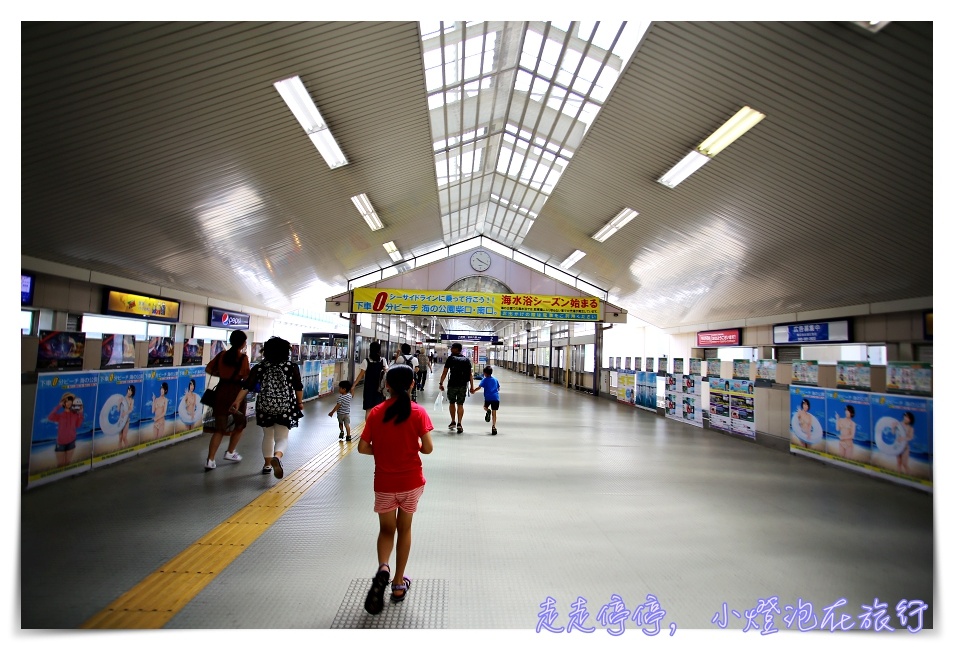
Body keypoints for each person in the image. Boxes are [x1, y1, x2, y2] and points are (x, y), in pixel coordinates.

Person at [358, 364, 434, 614]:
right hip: (411, 482)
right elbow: (428, 448)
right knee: (405, 529)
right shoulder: (418, 412)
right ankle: (399, 583)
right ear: (413, 384)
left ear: (386, 385)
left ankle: (383, 568)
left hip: (385, 482)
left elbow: (362, 447)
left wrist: (382, 451)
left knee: (386, 530)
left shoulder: (377, 412)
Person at [230, 336, 304, 479]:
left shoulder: (260, 367)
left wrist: (237, 401)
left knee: (268, 435)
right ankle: (277, 457)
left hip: (265, 405)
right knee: (282, 437)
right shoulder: (291, 367)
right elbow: (298, 386)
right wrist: (299, 403)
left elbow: (247, 386)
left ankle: (267, 465)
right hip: (285, 406)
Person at [205, 330, 250, 471]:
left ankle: (210, 460)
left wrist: (223, 375)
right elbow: (246, 378)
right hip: (236, 393)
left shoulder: (221, 355)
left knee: (219, 429)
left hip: (221, 391)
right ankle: (230, 452)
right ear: (242, 343)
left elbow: (208, 368)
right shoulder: (243, 358)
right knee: (240, 424)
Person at [438, 342, 475, 433]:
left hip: (452, 384)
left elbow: (445, 372)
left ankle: (453, 421)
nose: (451, 349)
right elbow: (470, 374)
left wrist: (441, 383)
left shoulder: (450, 359)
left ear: (457, 349)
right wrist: (471, 386)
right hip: (463, 385)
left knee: (452, 403)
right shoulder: (466, 360)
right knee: (460, 404)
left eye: (453, 348)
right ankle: (459, 423)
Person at [352, 341, 388, 414]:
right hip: (379, 388)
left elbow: (361, 374)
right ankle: (377, 425)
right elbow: (387, 372)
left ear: (370, 350)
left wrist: (354, 385)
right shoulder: (382, 360)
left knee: (368, 410)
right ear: (379, 350)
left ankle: (368, 425)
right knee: (378, 409)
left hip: (368, 389)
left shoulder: (366, 361)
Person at [49, 393, 83, 467]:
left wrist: (80, 414)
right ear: (64, 403)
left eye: (70, 402)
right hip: (60, 443)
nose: (68, 404)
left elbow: (78, 425)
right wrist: (58, 406)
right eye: (67, 402)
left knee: (68, 463)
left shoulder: (75, 415)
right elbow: (50, 417)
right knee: (60, 464)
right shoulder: (60, 415)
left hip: (71, 442)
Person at [471, 365, 501, 435]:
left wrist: (474, 391)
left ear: (485, 373)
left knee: (485, 407)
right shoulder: (495, 379)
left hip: (488, 398)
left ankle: (488, 410)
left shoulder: (484, 380)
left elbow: (479, 387)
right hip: (495, 398)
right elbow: (498, 388)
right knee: (494, 413)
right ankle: (494, 426)